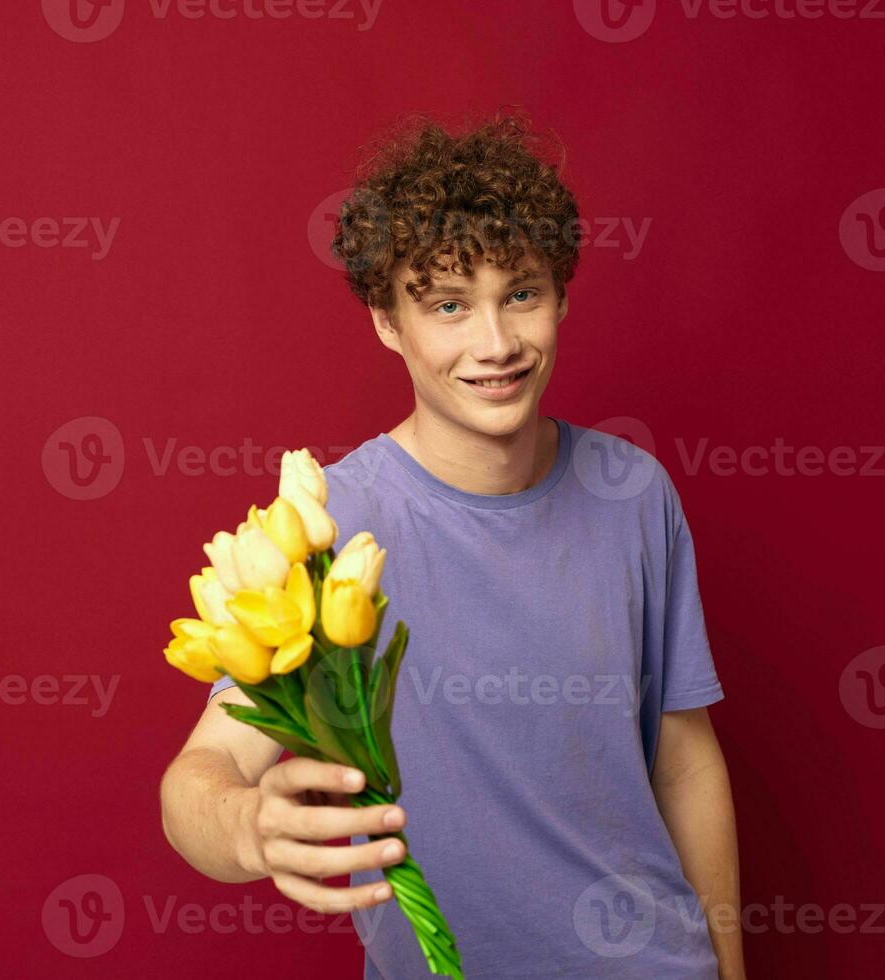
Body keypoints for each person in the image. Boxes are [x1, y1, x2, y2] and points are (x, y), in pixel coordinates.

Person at [160, 111, 745, 979]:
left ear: (561, 295)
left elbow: (685, 760)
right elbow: (198, 774)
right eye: (447, 305)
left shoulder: (634, 492)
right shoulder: (327, 519)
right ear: (387, 321)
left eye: (522, 293)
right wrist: (249, 828)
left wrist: (729, 969)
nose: (497, 344)